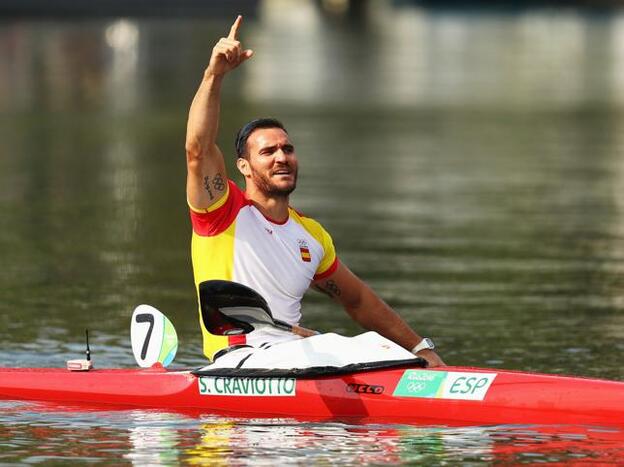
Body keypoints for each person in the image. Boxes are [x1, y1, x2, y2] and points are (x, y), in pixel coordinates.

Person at [185, 16, 445, 367]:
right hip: (238, 360)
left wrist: (421, 350)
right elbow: (198, 149)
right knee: (363, 350)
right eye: (268, 152)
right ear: (244, 166)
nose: (281, 158)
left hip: (294, 358)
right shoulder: (222, 212)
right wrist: (214, 75)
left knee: (376, 347)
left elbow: (359, 301)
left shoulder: (311, 236)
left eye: (287, 149)